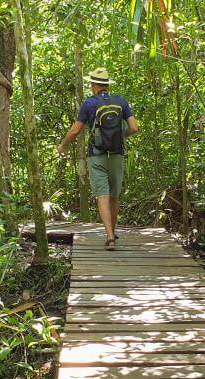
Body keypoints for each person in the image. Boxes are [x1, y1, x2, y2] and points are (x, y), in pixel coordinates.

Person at [57, 67, 139, 250]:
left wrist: (63, 145)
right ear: (107, 84)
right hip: (117, 153)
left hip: (97, 154)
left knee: (102, 194)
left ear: (93, 84)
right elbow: (134, 128)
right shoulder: (120, 101)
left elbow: (76, 130)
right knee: (114, 195)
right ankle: (113, 231)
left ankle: (109, 237)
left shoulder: (89, 103)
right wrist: (120, 137)